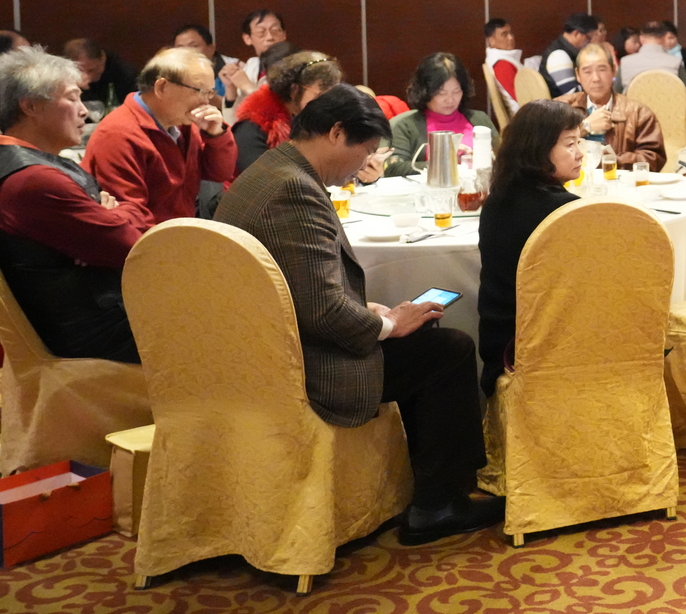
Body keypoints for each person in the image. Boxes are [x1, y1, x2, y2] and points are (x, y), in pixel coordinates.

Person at [215, 86, 501, 545]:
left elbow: (296, 287)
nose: (364, 165)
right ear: (335, 133)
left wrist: (366, 310)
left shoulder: (269, 171)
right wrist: (388, 324)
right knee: (447, 349)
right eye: (365, 151)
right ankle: (439, 503)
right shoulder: (295, 190)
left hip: (262, 341)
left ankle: (432, 491)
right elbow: (325, 314)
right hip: (301, 365)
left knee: (421, 338)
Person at [0, 47, 145, 362]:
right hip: (97, 335)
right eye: (72, 98)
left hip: (95, 316)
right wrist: (114, 214)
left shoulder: (25, 164)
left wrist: (110, 216)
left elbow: (123, 226)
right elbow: (133, 246)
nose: (85, 112)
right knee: (221, 318)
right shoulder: (34, 181)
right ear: (31, 106)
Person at [477, 99, 582, 394]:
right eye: (570, 144)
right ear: (539, 148)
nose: (580, 153)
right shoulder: (564, 211)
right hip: (537, 349)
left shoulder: (497, 199)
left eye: (579, 142)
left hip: (499, 343)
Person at [82, 47, 237, 229]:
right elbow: (130, 218)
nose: (206, 102)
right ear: (162, 87)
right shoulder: (117, 135)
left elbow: (219, 173)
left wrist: (216, 135)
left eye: (209, 92)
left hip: (180, 230)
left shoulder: (184, 123)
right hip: (148, 240)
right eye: (200, 91)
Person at [231, 50, 352, 175]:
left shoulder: (305, 119)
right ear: (295, 89)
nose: (328, 103)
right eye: (321, 94)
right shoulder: (252, 127)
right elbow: (260, 179)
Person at [385, 53, 500, 178]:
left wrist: (488, 158)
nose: (450, 100)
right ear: (425, 91)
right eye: (441, 93)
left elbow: (504, 158)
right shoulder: (407, 126)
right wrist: (443, 162)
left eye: (456, 91)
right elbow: (393, 168)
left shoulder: (480, 119)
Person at [557, 43, 666, 171]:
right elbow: (546, 148)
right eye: (587, 71)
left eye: (602, 70)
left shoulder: (639, 113)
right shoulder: (561, 108)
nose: (596, 78)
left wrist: (608, 161)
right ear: (578, 75)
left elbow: (652, 159)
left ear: (614, 70)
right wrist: (584, 127)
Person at [172, 23, 250, 105]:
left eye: (193, 46)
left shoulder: (236, 68)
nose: (186, 52)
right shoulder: (170, 72)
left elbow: (245, 106)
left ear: (211, 48)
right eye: (180, 48)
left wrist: (212, 99)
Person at [61, 39, 138, 112]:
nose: (87, 76)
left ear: (103, 58)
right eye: (80, 71)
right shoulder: (64, 76)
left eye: (91, 70)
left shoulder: (126, 74)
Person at [540, 13, 601, 97]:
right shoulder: (559, 56)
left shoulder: (568, 51)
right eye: (588, 38)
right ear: (576, 34)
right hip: (561, 104)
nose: (590, 42)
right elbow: (573, 93)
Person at [619, 21, 683, 86]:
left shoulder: (625, 62)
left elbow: (617, 90)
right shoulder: (676, 62)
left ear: (641, 39)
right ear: (663, 39)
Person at [483, 18, 524, 114]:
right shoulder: (502, 64)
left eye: (510, 33)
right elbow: (520, 97)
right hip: (524, 114)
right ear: (492, 40)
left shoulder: (501, 60)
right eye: (504, 35)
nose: (511, 38)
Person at [238, 9, 287, 84]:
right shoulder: (251, 65)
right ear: (247, 38)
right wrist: (230, 87)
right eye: (261, 32)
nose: (270, 37)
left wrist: (247, 86)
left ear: (284, 35)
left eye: (275, 30)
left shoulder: (296, 66)